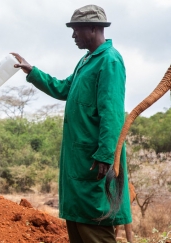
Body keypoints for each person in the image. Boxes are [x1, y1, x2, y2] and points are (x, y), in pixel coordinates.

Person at [12, 4, 132, 243]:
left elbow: (112, 113)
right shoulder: (87, 60)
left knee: (96, 226)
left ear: (94, 28)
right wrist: (32, 71)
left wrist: (106, 155)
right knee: (78, 225)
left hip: (96, 161)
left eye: (77, 29)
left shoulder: (109, 61)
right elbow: (63, 88)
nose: (73, 35)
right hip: (79, 162)